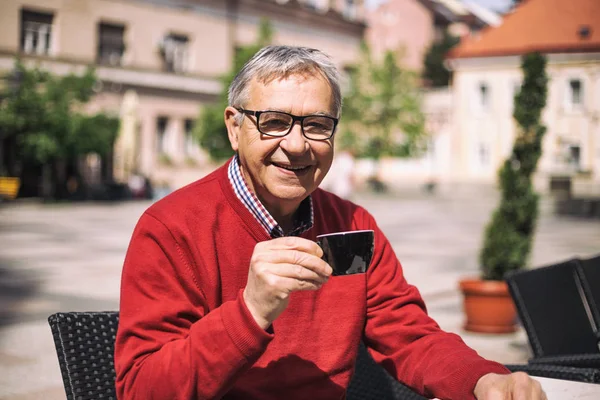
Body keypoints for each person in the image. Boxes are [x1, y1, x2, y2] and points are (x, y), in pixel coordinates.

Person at [115, 46, 545, 400]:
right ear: (234, 127)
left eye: (317, 125)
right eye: (275, 122)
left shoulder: (352, 222)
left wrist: (484, 380)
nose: (298, 145)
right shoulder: (171, 228)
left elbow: (408, 335)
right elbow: (141, 389)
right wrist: (251, 310)